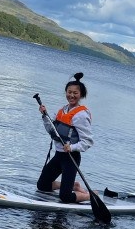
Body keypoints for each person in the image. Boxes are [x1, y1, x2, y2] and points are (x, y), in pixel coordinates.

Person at [36, 72, 93, 203]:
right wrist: (45, 116)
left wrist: (72, 147)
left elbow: (88, 141)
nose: (71, 95)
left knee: (65, 197)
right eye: (69, 92)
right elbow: (52, 131)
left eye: (75, 93)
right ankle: (74, 186)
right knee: (42, 185)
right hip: (59, 156)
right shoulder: (62, 110)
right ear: (66, 92)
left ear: (81, 95)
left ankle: (90, 195)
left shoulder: (81, 115)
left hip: (71, 158)